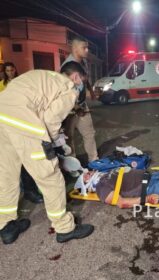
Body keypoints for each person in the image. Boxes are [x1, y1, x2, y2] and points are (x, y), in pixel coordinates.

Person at [0, 61, 94, 245]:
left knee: (6, 176)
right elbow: (50, 120)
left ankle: (6, 227)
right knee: (51, 176)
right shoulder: (69, 88)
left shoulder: (44, 77)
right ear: (75, 77)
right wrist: (50, 146)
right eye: (81, 80)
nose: (81, 85)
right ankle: (65, 228)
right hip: (21, 122)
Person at [0, 62, 43, 203]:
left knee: (27, 161)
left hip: (23, 125)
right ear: (4, 72)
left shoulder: (21, 83)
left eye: (12, 70)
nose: (10, 73)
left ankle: (30, 191)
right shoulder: (2, 85)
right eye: (7, 71)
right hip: (7, 128)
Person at [61, 36, 98, 162]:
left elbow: (85, 79)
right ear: (75, 48)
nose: (87, 50)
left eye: (87, 47)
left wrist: (91, 92)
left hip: (82, 105)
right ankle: (73, 165)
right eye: (84, 47)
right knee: (69, 137)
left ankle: (94, 161)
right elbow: (64, 94)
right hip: (70, 108)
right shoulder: (67, 67)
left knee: (89, 133)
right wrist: (76, 108)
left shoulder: (83, 62)